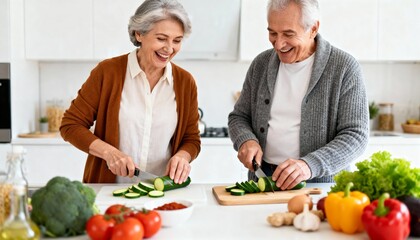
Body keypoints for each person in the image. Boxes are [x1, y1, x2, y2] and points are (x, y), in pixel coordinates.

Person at [228, 0, 369, 189]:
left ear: (313, 28)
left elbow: (356, 136)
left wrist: (309, 165)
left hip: (321, 185)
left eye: (288, 34)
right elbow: (239, 117)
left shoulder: (344, 67)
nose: (278, 44)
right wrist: (246, 139)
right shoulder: (260, 64)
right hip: (262, 178)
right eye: (272, 33)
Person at [60, 0, 200, 184]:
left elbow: (191, 139)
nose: (169, 48)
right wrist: (109, 153)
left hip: (161, 191)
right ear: (139, 34)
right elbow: (71, 125)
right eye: (161, 38)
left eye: (177, 40)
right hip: (108, 189)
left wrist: (183, 156)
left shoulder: (185, 82)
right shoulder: (108, 72)